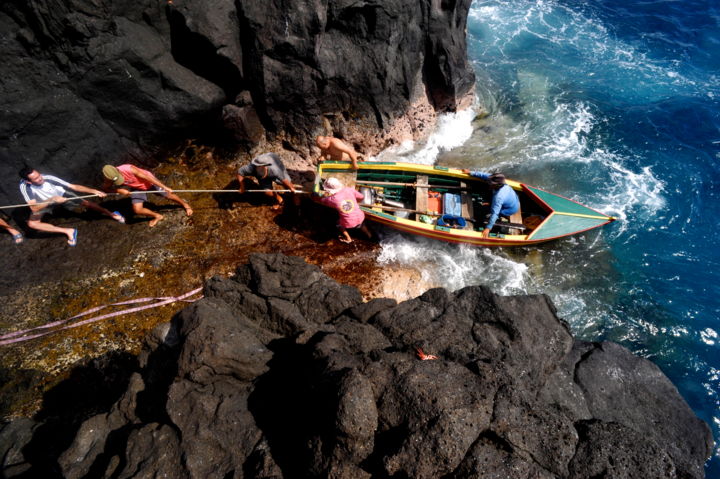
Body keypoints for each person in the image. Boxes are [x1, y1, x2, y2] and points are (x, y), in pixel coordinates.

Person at [19, 166, 125, 246]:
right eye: (36, 179)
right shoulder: (25, 187)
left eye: (39, 175)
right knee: (32, 224)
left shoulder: (48, 178)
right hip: (43, 203)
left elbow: (73, 186)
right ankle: (68, 231)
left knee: (85, 203)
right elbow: (34, 207)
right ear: (29, 181)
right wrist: (51, 200)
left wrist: (94, 191)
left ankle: (110, 213)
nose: (41, 179)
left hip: (61, 195)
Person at [102, 164, 193, 227]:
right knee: (137, 209)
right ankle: (157, 216)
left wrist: (164, 187)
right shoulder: (108, 179)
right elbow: (106, 189)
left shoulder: (129, 169)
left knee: (168, 195)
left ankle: (185, 204)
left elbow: (148, 177)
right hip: (137, 188)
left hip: (149, 182)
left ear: (117, 170)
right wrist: (119, 190)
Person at [461, 169, 519, 238]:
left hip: (509, 209)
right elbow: (484, 176)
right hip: (512, 199)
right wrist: (471, 172)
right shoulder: (498, 181)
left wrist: (488, 228)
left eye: (491, 183)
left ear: (497, 186)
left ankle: (495, 220)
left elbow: (495, 213)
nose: (489, 183)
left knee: (489, 212)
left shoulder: (498, 197)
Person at [316, 177, 371, 243]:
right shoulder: (349, 189)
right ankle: (369, 235)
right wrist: (356, 201)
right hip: (361, 216)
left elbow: (321, 200)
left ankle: (348, 238)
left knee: (338, 224)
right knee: (361, 225)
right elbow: (361, 197)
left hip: (349, 223)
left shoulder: (332, 199)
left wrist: (323, 195)